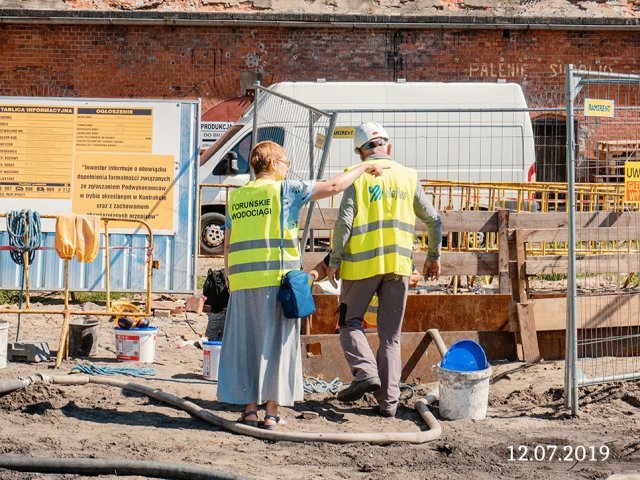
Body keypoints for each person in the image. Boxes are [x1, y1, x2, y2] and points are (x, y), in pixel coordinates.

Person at [218, 140, 386, 430]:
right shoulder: (285, 191)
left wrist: (231, 278)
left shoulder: (238, 197)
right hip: (276, 282)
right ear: (272, 163)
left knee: (248, 346)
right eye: (284, 161)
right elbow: (334, 187)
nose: (288, 167)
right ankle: (271, 414)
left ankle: (249, 412)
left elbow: (228, 246)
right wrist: (361, 167)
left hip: (243, 282)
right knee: (277, 347)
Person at [326, 122, 442, 418]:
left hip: (360, 268)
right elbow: (434, 219)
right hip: (399, 267)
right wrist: (433, 256)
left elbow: (344, 223)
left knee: (348, 323)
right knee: (390, 337)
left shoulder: (358, 174)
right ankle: (388, 404)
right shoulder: (408, 176)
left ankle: (365, 373)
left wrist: (335, 259)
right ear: (388, 147)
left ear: (359, 151)